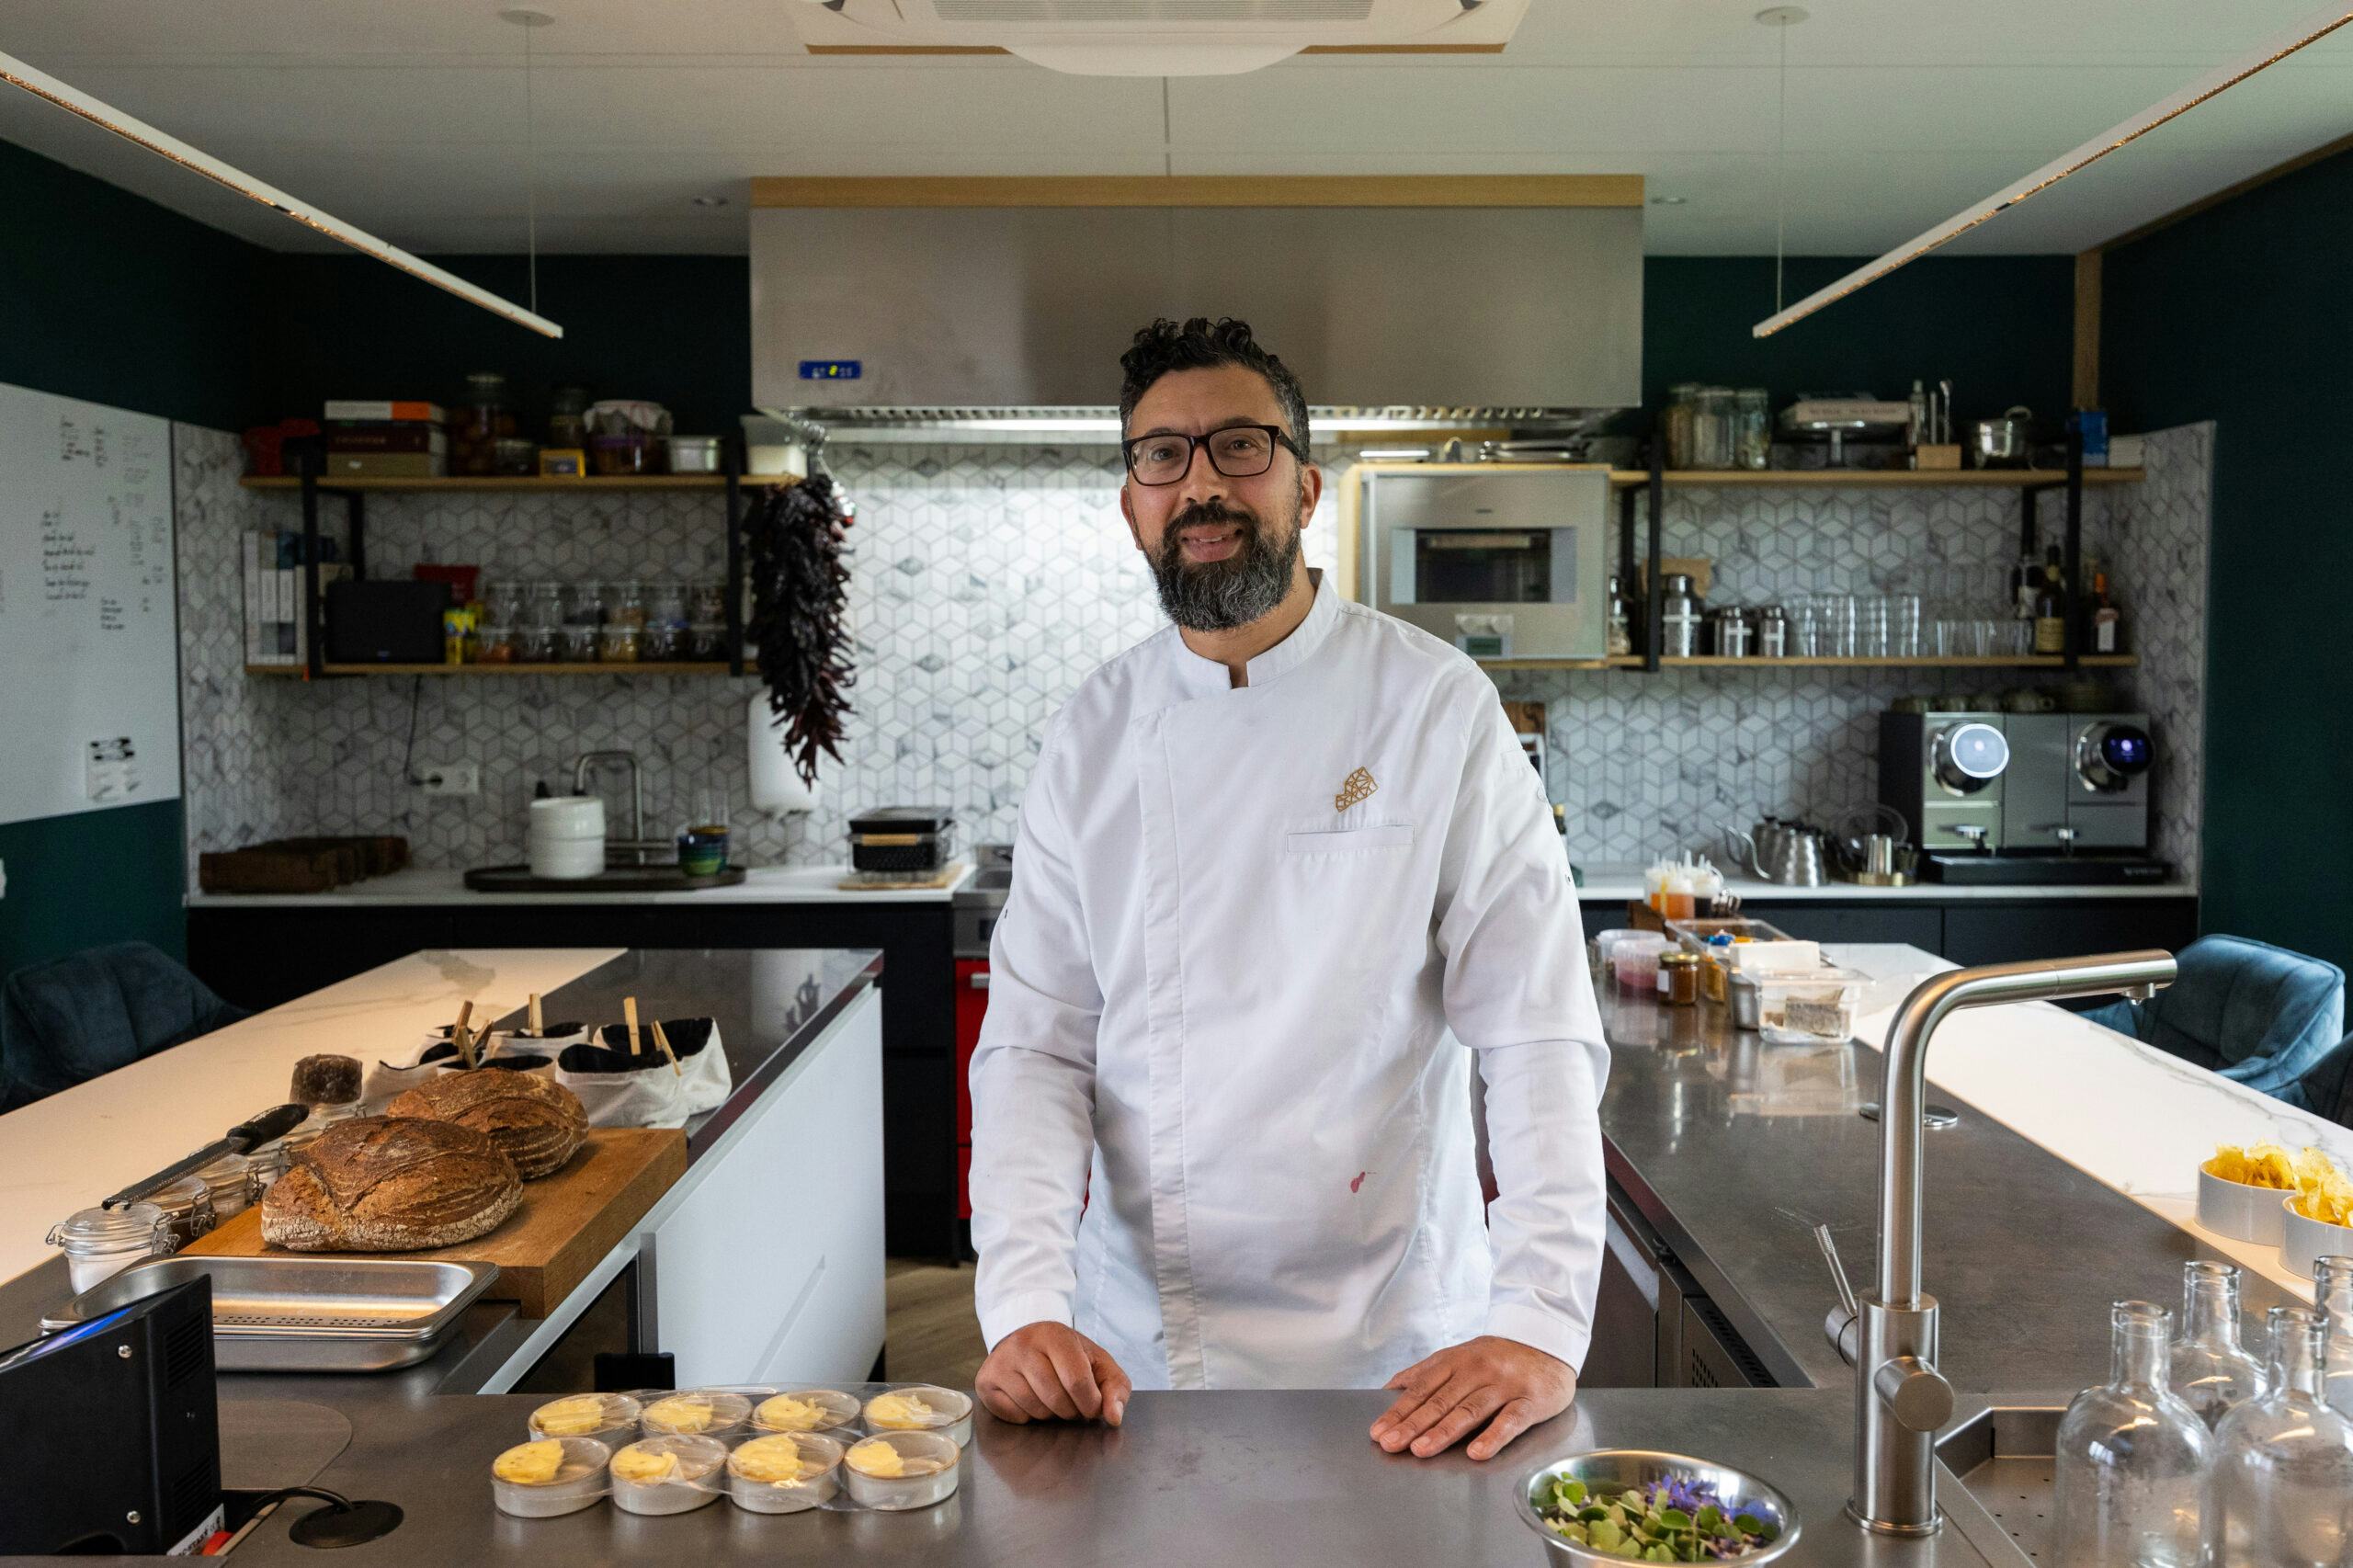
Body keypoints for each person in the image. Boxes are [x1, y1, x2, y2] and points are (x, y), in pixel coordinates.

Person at [967, 316, 1608, 1462]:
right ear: (1131, 505)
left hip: (1401, 1344)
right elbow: (1034, 1046)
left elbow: (1536, 1030)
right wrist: (1022, 1303)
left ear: (1306, 488)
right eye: (1162, 454)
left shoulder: (1434, 706)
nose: (1199, 481)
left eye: (1239, 447)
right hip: (1139, 1348)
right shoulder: (1094, 733)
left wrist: (1541, 1319)